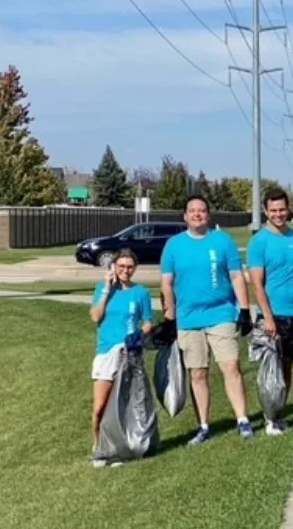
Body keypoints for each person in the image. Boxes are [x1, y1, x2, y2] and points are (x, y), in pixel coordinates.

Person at [160, 194, 256, 444]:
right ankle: (203, 426)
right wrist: (170, 318)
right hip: (188, 318)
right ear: (185, 216)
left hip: (221, 313)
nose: (197, 214)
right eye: (192, 210)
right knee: (198, 374)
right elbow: (167, 284)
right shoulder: (174, 245)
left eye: (201, 210)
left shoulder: (223, 241)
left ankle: (243, 420)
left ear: (208, 215)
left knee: (231, 367)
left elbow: (236, 276)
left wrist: (244, 311)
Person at [246, 189, 293, 436]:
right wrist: (268, 318)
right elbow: (257, 284)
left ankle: (280, 413)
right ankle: (269, 417)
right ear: (265, 211)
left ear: (289, 209)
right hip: (272, 316)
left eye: (282, 209)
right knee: (269, 370)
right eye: (273, 210)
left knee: (287, 368)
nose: (278, 214)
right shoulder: (259, 241)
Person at [89, 248, 154, 467]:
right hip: (107, 352)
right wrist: (107, 288)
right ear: (114, 267)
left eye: (130, 267)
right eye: (121, 266)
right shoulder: (103, 289)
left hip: (130, 353)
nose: (126, 271)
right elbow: (95, 316)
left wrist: (140, 334)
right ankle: (99, 448)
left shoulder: (141, 293)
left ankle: (120, 449)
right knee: (101, 407)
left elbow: (147, 321)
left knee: (124, 405)